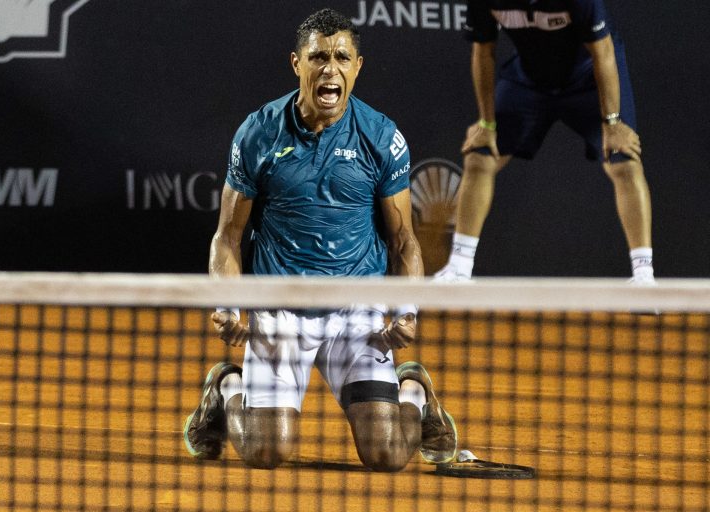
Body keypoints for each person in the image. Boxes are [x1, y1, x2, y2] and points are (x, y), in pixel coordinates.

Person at [183, 8, 457, 472]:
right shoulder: (258, 134)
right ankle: (227, 386)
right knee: (265, 453)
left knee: (386, 455)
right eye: (318, 58)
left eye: (341, 57)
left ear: (357, 67)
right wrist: (228, 304)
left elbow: (405, 239)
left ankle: (413, 391)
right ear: (297, 64)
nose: (330, 69)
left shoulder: (382, 138)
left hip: (357, 310)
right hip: (279, 308)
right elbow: (227, 237)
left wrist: (407, 311)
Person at [435, 0, 655, 284]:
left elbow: (604, 53)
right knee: (480, 157)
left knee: (623, 161)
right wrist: (486, 123)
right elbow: (483, 51)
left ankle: (644, 275)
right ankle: (458, 268)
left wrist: (612, 123)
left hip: (589, 77)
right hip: (528, 80)